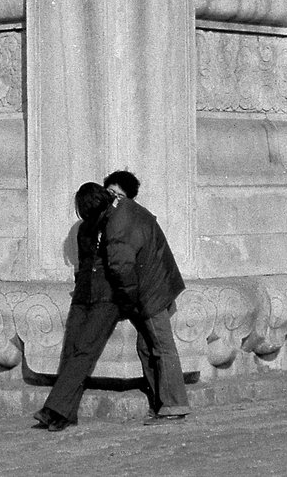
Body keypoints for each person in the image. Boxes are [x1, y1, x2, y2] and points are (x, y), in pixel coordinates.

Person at [101, 169, 191, 425]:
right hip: (159, 286)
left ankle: (173, 405)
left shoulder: (122, 219)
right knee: (146, 346)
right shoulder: (134, 214)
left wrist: (123, 300)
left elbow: (121, 265)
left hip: (151, 293)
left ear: (128, 198)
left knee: (162, 347)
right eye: (110, 192)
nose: (114, 198)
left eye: (119, 194)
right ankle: (162, 403)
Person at [33, 182, 124, 432]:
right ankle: (65, 413)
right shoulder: (84, 229)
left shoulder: (116, 225)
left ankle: (53, 408)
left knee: (84, 351)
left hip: (108, 297)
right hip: (83, 294)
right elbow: (83, 263)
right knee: (71, 350)